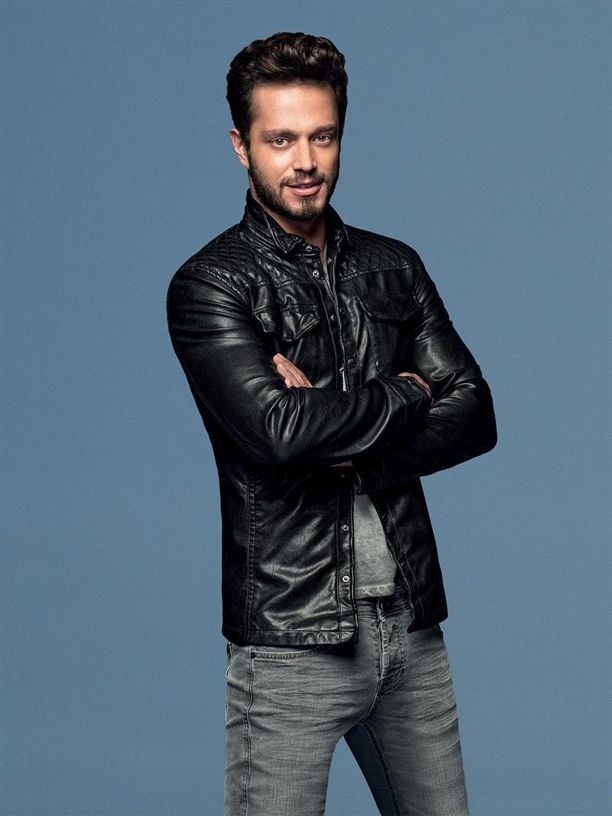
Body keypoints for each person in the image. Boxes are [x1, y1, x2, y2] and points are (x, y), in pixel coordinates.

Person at [167, 31, 496, 816]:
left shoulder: (394, 266)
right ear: (242, 146)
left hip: (411, 625)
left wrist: (338, 430)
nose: (305, 160)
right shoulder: (212, 286)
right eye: (281, 139)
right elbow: (279, 431)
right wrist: (409, 391)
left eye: (322, 136)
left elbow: (475, 412)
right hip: (290, 638)